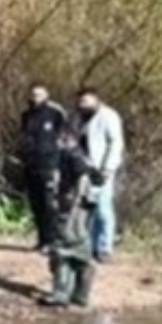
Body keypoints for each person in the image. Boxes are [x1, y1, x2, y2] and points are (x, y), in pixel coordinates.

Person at [38, 140, 103, 308]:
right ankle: (81, 295)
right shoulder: (84, 157)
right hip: (85, 206)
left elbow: (82, 180)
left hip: (71, 206)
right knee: (81, 248)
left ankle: (61, 294)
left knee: (62, 249)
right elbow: (98, 179)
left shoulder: (71, 156)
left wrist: (72, 201)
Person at [73, 86, 125, 261]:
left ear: (96, 99)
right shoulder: (80, 118)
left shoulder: (108, 116)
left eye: (85, 101)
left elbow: (115, 143)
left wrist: (107, 169)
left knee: (103, 209)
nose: (82, 104)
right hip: (84, 170)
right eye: (80, 101)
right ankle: (92, 246)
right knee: (89, 209)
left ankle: (105, 247)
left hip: (101, 170)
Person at [18, 86, 72, 250]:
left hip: (49, 164)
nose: (35, 97)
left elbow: (66, 136)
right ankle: (41, 239)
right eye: (33, 94)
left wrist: (61, 163)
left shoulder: (55, 113)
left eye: (39, 94)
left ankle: (52, 240)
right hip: (31, 165)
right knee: (36, 204)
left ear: (46, 95)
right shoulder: (26, 115)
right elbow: (24, 137)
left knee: (50, 204)